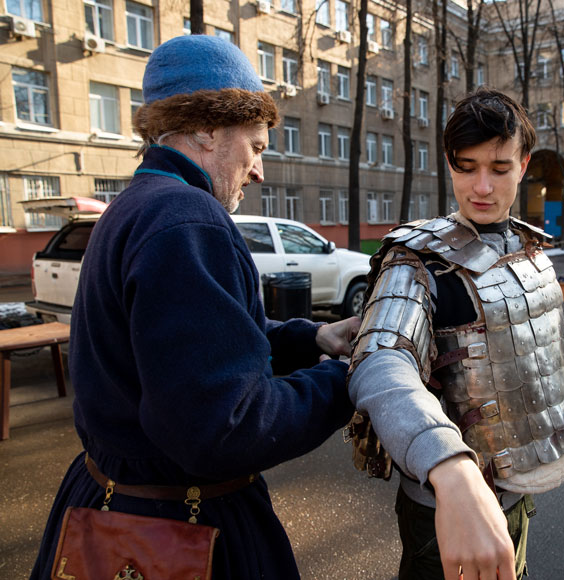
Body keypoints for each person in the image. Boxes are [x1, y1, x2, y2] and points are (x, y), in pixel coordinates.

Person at [29, 35, 359, 579]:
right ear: (207, 129)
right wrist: (347, 379)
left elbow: (199, 348)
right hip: (176, 531)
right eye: (255, 146)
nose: (259, 171)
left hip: (113, 508)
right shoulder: (187, 220)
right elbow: (224, 428)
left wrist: (310, 340)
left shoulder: (134, 205)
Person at [347, 88, 564, 580]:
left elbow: (540, 364)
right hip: (444, 510)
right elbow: (380, 366)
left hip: (518, 496)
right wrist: (450, 468)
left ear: (523, 164)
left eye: (498, 168)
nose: (481, 187)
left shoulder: (529, 250)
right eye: (466, 166)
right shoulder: (417, 262)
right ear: (449, 164)